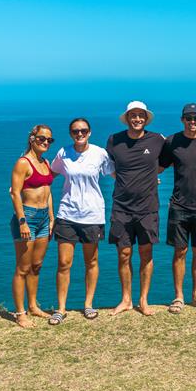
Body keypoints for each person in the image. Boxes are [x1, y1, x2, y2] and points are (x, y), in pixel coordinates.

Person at [48, 118, 114, 325]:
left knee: (91, 261)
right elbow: (49, 175)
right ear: (70, 133)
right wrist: (23, 182)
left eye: (83, 130)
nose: (79, 134)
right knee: (64, 263)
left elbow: (117, 175)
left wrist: (147, 179)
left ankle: (88, 304)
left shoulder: (100, 153)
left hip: (93, 215)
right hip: (67, 214)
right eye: (75, 131)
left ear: (90, 132)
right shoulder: (63, 153)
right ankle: (60, 308)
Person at [106, 101, 165, 316]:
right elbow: (109, 166)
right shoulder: (114, 140)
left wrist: (152, 176)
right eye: (133, 115)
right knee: (124, 254)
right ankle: (126, 299)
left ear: (146, 118)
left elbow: (169, 159)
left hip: (148, 207)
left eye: (141, 115)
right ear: (127, 118)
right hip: (121, 207)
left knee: (146, 253)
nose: (137, 119)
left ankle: (143, 300)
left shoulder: (158, 140)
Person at [158, 103, 196, 314]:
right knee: (179, 251)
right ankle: (179, 296)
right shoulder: (172, 141)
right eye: (188, 118)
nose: (192, 122)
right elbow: (158, 166)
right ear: (182, 119)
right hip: (179, 205)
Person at [9, 124, 55, 328]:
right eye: (41, 138)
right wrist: (22, 221)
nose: (45, 142)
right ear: (32, 138)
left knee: (36, 265)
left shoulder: (45, 162)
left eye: (49, 140)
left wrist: (52, 217)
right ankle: (20, 313)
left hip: (44, 217)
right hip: (27, 217)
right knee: (23, 267)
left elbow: (48, 190)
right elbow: (14, 193)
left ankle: (33, 306)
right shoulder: (23, 162)